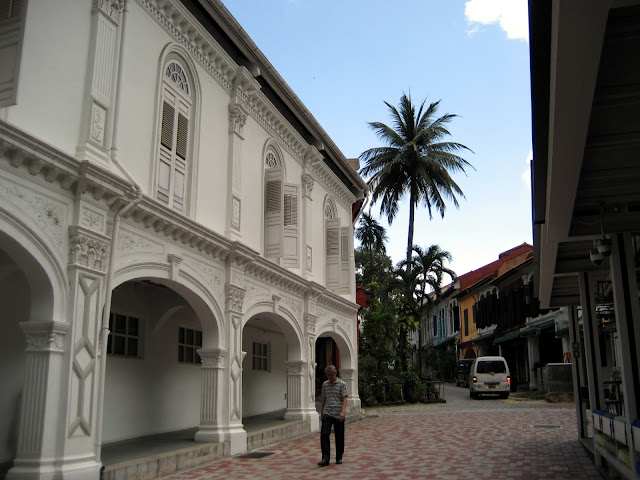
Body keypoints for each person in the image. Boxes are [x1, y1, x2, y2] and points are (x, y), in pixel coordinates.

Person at [318, 365, 348, 467]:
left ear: (336, 374)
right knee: (324, 434)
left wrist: (343, 411)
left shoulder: (342, 384)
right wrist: (321, 412)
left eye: (332, 375)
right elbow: (323, 399)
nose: (330, 377)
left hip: (338, 413)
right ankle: (325, 458)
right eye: (328, 375)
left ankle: (339, 456)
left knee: (339, 436)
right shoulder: (325, 385)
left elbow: (344, 398)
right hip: (328, 412)